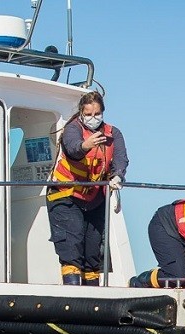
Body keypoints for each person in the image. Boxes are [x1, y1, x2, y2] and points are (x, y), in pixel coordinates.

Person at [46, 91, 129, 286]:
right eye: (89, 114)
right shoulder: (72, 129)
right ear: (82, 114)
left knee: (93, 251)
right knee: (72, 245)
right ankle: (74, 294)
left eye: (97, 113)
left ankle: (93, 295)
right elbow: (72, 148)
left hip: (94, 199)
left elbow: (120, 158)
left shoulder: (113, 133)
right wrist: (86, 145)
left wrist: (118, 175)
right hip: (66, 195)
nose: (93, 118)